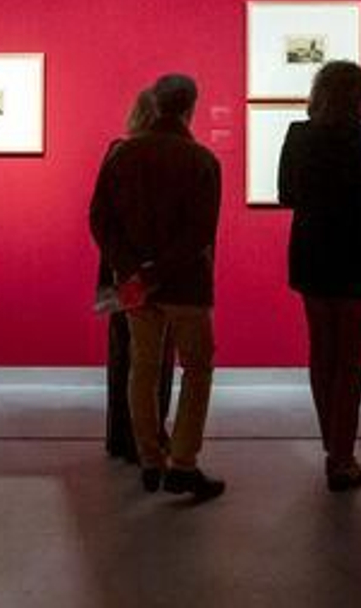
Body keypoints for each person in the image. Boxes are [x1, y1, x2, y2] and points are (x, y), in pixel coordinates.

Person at [89, 73, 225, 501]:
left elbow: (100, 221)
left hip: (133, 283)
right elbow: (200, 233)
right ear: (191, 107)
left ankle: (150, 458)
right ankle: (183, 462)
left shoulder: (123, 155)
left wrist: (135, 269)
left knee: (142, 368)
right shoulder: (203, 160)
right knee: (197, 369)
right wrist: (160, 271)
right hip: (185, 285)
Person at [279, 60, 361, 492]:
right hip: (358, 256)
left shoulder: (300, 136)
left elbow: (286, 193)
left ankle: (331, 444)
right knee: (350, 359)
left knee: (321, 353)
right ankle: (342, 456)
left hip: (313, 254)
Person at [97, 88, 175, 464]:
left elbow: (101, 217)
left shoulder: (119, 152)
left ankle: (124, 437)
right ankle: (152, 434)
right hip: (159, 269)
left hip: (121, 267)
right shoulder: (173, 155)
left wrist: (123, 265)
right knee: (157, 353)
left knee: (126, 349)